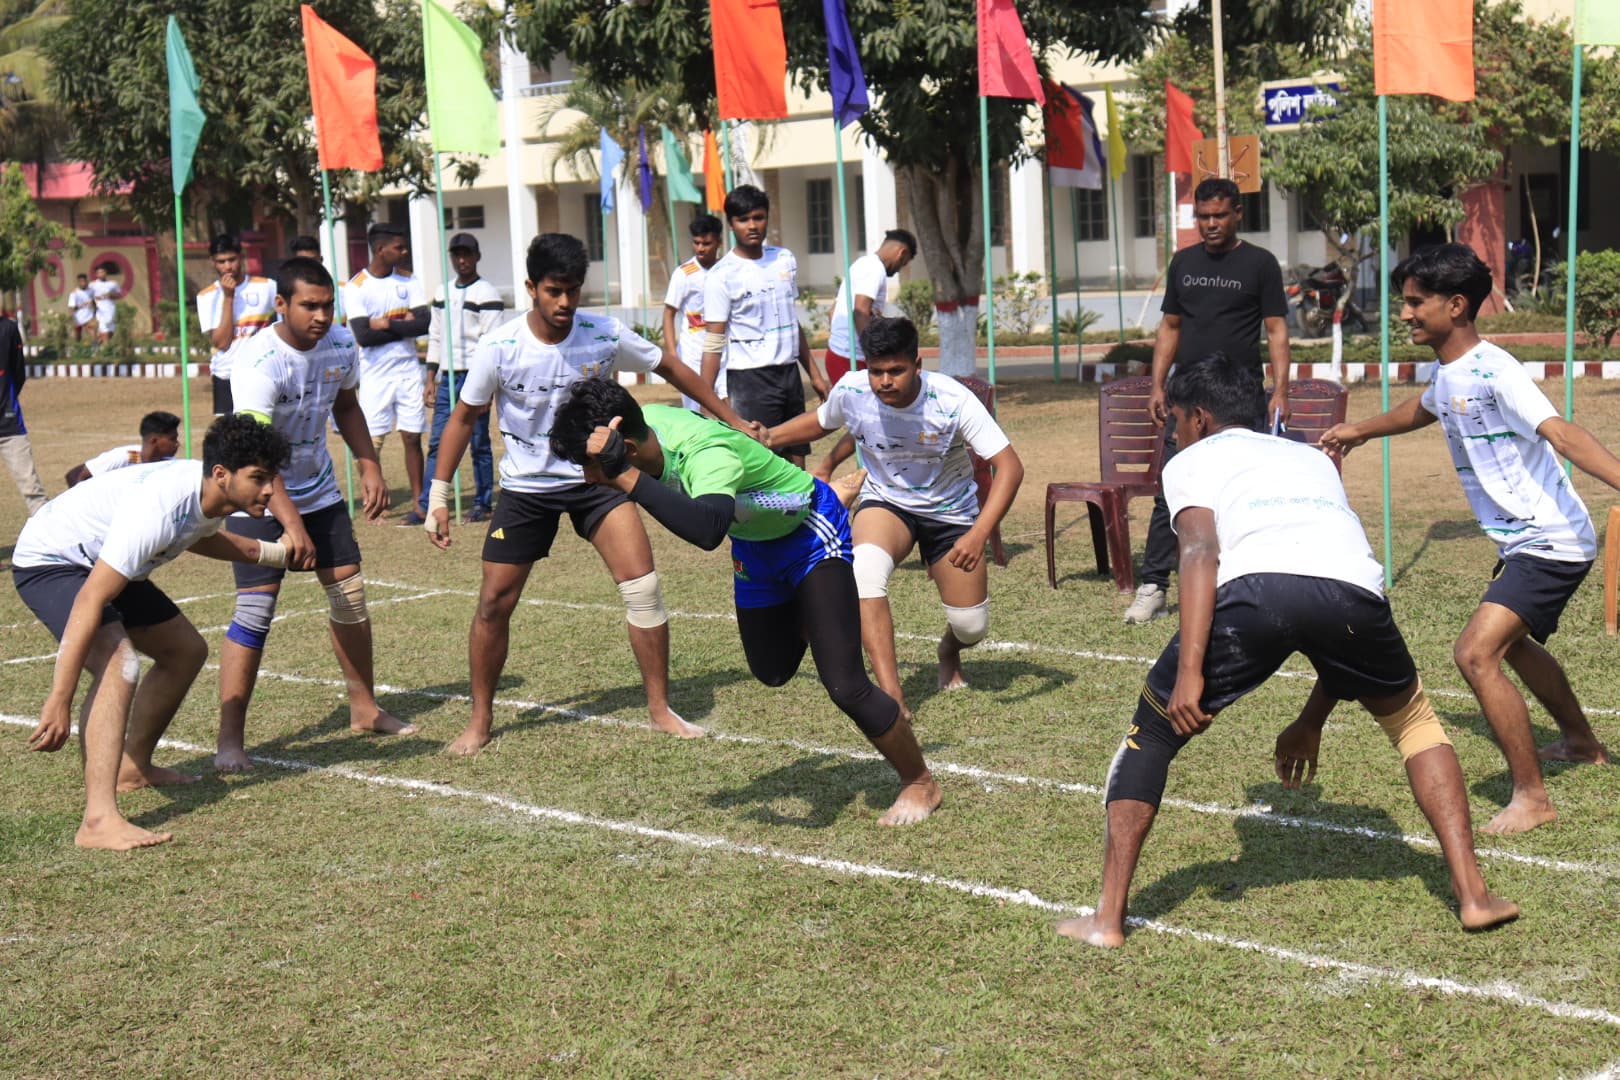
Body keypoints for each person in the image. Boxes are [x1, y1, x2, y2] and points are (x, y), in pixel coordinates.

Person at [1057, 351, 1519, 948]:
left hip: (1254, 590)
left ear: (1197, 418)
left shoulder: (1190, 457)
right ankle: (1475, 895)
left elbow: (1199, 552)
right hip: (1354, 590)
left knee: (1152, 733)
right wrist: (1310, 721)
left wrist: (1191, 671)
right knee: (1415, 725)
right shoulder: (1308, 455)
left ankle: (1108, 920)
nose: (1172, 430)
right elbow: (1320, 596)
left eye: (1173, 418)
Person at [552, 378, 943, 826]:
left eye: (589, 465)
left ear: (624, 448)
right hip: (756, 543)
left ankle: (919, 782)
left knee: (846, 685)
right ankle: (815, 598)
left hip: (809, 532)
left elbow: (706, 530)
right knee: (771, 670)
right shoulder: (647, 429)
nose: (587, 477)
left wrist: (623, 474)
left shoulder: (706, 453)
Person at [423, 232, 755, 755]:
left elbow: (669, 367)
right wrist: (439, 494)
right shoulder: (500, 347)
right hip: (527, 490)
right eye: (554, 291)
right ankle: (480, 720)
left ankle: (660, 709)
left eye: (574, 290)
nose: (565, 303)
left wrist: (731, 418)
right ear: (531, 287)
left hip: (597, 480)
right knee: (493, 603)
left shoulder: (603, 334)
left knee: (643, 588)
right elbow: (464, 417)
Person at [1321, 243, 1613, 835]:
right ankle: (1582, 742)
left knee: (1475, 654)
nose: (1403, 314)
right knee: (1515, 648)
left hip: (1549, 539)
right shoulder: (1451, 371)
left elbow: (1562, 433)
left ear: (1456, 305)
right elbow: (1425, 410)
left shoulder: (1497, 370)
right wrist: (1360, 430)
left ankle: (1532, 797)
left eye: (1413, 303)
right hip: (1525, 541)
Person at [12, 414, 293, 850]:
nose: (270, 491)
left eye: (272, 478)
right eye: (259, 479)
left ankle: (132, 767)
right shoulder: (158, 510)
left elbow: (197, 534)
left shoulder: (204, 495)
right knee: (118, 662)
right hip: (53, 560)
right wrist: (59, 698)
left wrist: (273, 553)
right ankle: (97, 821)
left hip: (102, 559)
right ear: (221, 475)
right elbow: (90, 599)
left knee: (185, 651)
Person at [766, 316, 1023, 717]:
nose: (885, 381)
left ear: (917, 365)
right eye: (877, 371)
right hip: (887, 503)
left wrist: (978, 534)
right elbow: (819, 423)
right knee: (865, 571)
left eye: (896, 371)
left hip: (951, 513)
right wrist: (769, 437)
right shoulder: (852, 389)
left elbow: (1010, 467)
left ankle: (949, 650)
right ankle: (892, 697)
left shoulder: (952, 400)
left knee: (971, 626)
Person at [215, 256, 407, 772]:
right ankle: (230, 741)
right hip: (255, 494)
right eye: (309, 306)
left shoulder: (342, 344)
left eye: (328, 305)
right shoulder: (258, 361)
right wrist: (292, 524)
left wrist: (370, 465)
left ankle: (365, 709)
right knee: (255, 611)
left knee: (349, 594)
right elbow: (256, 455)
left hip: (318, 489)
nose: (321, 316)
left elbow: (346, 406)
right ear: (282, 304)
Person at [1127, 177, 1291, 625]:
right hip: (1187, 397)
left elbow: (1276, 330)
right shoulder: (1184, 262)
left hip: (1239, 396)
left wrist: (1279, 390)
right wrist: (1158, 385)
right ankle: (1154, 586)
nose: (1211, 224)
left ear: (1237, 212)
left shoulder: (1260, 264)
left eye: (1219, 215)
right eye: (1203, 217)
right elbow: (1170, 328)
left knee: (1247, 490)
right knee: (1171, 487)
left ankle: (1251, 579)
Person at [702, 184, 830, 468]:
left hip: (789, 375)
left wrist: (815, 375)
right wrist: (706, 396)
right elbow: (713, 340)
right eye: (743, 220)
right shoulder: (721, 276)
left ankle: (800, 512)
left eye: (758, 217)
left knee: (797, 458)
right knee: (762, 460)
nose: (752, 225)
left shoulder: (784, 259)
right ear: (731, 224)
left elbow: (791, 322)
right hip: (750, 381)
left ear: (767, 218)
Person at [345, 222, 430, 523]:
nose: (405, 252)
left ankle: (420, 502)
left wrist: (387, 324)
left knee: (411, 437)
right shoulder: (356, 287)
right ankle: (375, 502)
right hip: (375, 374)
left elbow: (423, 324)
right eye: (400, 247)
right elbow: (364, 336)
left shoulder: (408, 280)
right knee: (372, 441)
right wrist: (402, 325)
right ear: (381, 249)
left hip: (407, 369)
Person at [417, 232, 503, 524]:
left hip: (475, 375)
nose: (462, 260)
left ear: (477, 256)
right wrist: (430, 377)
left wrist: (487, 383)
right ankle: (428, 503)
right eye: (457, 255)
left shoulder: (487, 293)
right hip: (448, 376)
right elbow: (436, 335)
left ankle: (482, 503)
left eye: (467, 254)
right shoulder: (443, 292)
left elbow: (490, 342)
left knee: (478, 440)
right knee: (438, 441)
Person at [197, 234, 277, 417]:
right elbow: (221, 342)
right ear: (213, 262)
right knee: (228, 438)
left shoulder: (267, 287)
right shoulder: (206, 296)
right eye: (221, 261)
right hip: (226, 375)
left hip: (262, 372)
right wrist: (229, 297)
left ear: (241, 257)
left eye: (232, 260)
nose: (227, 267)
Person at [661, 214, 726, 413]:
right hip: (692, 352)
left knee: (727, 401)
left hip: (724, 349)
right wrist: (673, 354)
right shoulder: (684, 273)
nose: (700, 248)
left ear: (719, 243)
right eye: (696, 243)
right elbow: (669, 313)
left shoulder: (726, 270)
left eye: (706, 243)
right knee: (696, 408)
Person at [0, 313, 47, 516]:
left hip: (9, 424)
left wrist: (7, 402)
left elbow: (18, 371)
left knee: (32, 488)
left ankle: (53, 540)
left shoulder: (8, 328)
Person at [65, 411, 182, 487]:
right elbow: (75, 476)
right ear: (154, 441)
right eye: (173, 439)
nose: (177, 444)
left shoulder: (170, 462)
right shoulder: (125, 457)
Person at [89, 263, 122, 345]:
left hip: (110, 309)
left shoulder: (113, 283)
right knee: (104, 329)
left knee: (111, 330)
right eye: (99, 272)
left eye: (103, 272)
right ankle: (106, 350)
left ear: (106, 273)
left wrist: (111, 295)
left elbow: (119, 295)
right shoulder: (92, 285)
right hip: (100, 310)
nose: (101, 274)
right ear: (96, 274)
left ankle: (98, 343)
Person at [68, 273, 95, 343]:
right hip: (78, 318)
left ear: (87, 281)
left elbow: (95, 302)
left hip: (89, 317)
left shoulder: (91, 291)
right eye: (81, 281)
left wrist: (93, 303)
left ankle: (96, 350)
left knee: (93, 335)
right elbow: (71, 308)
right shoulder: (74, 293)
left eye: (85, 281)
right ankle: (78, 350)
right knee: (77, 337)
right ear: (78, 282)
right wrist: (83, 304)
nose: (83, 283)